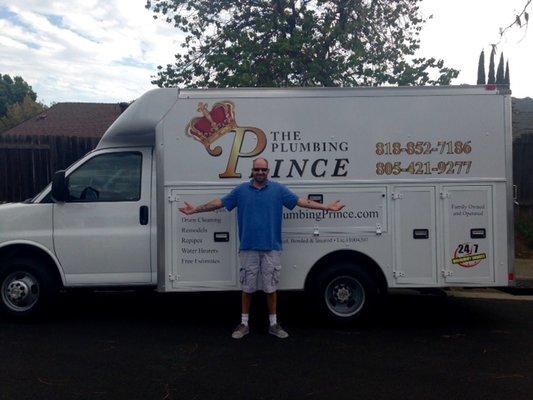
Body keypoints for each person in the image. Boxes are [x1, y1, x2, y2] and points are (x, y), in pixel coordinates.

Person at [179, 158, 344, 339]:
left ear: (268, 171)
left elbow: (300, 201)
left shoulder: (278, 190)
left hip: (271, 248)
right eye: (257, 170)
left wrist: (326, 207)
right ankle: (244, 324)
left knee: (270, 288)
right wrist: (196, 210)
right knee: (247, 288)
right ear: (252, 171)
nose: (260, 173)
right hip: (248, 247)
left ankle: (273, 325)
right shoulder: (241, 190)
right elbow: (219, 203)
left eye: (263, 170)